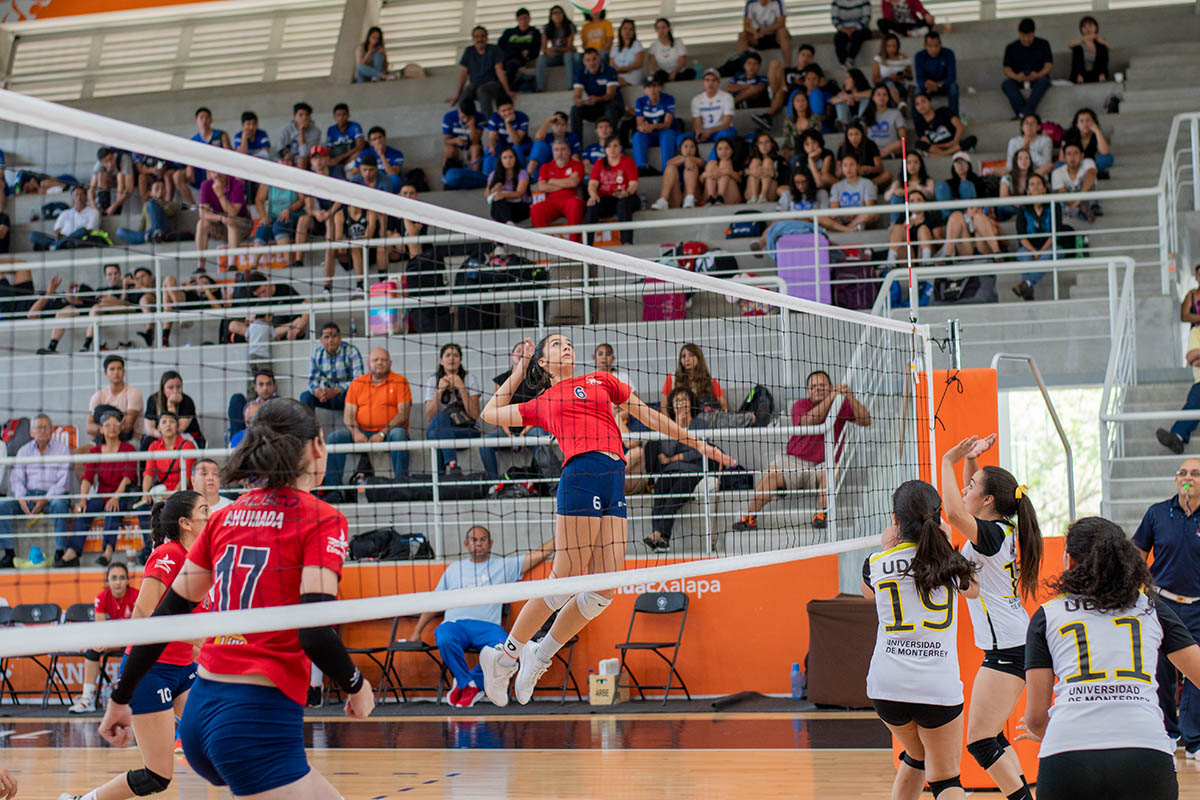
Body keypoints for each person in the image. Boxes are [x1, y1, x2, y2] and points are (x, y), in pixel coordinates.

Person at [96, 399, 373, 798]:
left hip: (201, 713)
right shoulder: (321, 517)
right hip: (253, 716)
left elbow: (163, 619)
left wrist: (121, 695)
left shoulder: (227, 517)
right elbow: (314, 631)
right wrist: (356, 684)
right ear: (316, 447)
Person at [478, 333, 734, 705]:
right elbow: (489, 413)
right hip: (581, 472)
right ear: (544, 364)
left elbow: (650, 417)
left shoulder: (601, 380)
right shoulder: (542, 400)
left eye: (568, 342)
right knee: (566, 577)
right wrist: (519, 369)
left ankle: (540, 653)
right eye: (555, 345)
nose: (565, 346)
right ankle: (505, 658)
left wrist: (698, 443)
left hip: (614, 476)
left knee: (603, 590)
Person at [1019, 516, 1200, 800]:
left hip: (1068, 752)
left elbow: (1035, 717)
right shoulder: (1151, 608)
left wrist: (1056, 730)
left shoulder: (1047, 615)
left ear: (1070, 561)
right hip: (1145, 751)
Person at [60, 491, 210, 800]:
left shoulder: (201, 559)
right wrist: (196, 639)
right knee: (157, 776)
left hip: (184, 668)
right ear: (185, 522)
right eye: (204, 510)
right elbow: (145, 615)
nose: (211, 516)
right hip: (150, 671)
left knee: (222, 740)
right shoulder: (168, 554)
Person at [862, 480, 978, 800]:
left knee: (917, 757)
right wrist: (947, 543)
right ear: (938, 519)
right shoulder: (953, 565)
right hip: (936, 689)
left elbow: (870, 595)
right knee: (945, 779)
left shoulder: (874, 564)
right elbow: (974, 590)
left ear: (896, 521)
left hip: (886, 688)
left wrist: (888, 550)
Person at [940, 434, 1040, 800]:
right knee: (993, 736)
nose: (966, 488)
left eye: (972, 486)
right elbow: (969, 504)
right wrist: (973, 460)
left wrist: (948, 460)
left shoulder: (991, 536)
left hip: (1008, 647)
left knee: (980, 742)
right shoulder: (1001, 529)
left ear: (988, 500)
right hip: (1015, 640)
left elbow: (952, 512)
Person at [409, 526, 555, 707]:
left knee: (509, 650)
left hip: (488, 627)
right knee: (444, 636)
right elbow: (435, 602)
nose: (478, 543)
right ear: (466, 544)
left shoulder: (503, 566)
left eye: (482, 539)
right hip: (455, 625)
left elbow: (536, 556)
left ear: (490, 543)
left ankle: (471, 684)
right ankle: (467, 684)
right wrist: (417, 631)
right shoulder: (454, 569)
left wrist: (561, 540)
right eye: (473, 539)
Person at [733, 370, 870, 531]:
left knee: (831, 470)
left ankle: (821, 514)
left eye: (822, 385)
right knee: (770, 476)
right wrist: (831, 397)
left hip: (822, 463)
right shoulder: (800, 405)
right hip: (793, 461)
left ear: (831, 387)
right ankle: (750, 518)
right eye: (813, 386)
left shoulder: (840, 405)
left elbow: (865, 420)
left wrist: (850, 397)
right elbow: (809, 422)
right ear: (807, 391)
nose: (817, 389)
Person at [1129, 459, 1200, 758]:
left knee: (1196, 671)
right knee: (1161, 669)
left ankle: (1195, 739)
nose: (1187, 478)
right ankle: (1167, 732)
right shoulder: (1157, 513)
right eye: (1182, 473)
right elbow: (1136, 555)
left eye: (1195, 474)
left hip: (1198, 605)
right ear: (1175, 481)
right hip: (1161, 602)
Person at [323, 348, 412, 492]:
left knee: (399, 435)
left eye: (383, 360)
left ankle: (401, 486)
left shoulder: (400, 381)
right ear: (368, 363)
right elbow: (349, 415)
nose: (379, 363)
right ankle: (332, 489)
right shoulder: (357, 383)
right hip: (361, 432)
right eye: (375, 360)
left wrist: (382, 433)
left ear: (390, 363)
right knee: (335, 437)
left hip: (389, 433)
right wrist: (355, 432)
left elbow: (403, 414)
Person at [642, 388, 712, 551]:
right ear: (672, 406)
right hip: (671, 470)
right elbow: (668, 449)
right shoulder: (669, 426)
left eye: (684, 399)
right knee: (659, 492)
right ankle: (661, 537)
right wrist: (679, 427)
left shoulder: (701, 424)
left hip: (692, 470)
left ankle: (659, 534)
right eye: (677, 400)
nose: (681, 404)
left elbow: (698, 451)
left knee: (674, 497)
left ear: (691, 403)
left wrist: (674, 458)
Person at [0, 414, 71, 568]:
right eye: (39, 427)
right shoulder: (23, 451)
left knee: (60, 503)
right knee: (3, 505)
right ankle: (9, 552)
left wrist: (46, 499)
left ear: (52, 430)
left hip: (52, 497)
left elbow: (63, 481)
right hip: (29, 496)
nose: (42, 431)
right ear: (31, 432)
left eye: (46, 427)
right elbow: (16, 479)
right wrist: (21, 498)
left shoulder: (62, 449)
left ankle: (59, 551)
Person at [68, 562, 139, 713]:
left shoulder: (137, 596)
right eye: (114, 578)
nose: (118, 582)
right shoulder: (102, 597)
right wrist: (103, 643)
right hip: (113, 640)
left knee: (137, 650)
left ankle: (135, 698)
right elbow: (100, 629)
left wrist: (109, 644)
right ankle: (88, 699)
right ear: (108, 581)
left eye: (121, 578)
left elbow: (136, 632)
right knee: (92, 650)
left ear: (127, 580)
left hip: (133, 640)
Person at [70, 411, 137, 569]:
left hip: (121, 494)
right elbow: (87, 478)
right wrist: (83, 500)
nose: (112, 428)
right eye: (108, 425)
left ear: (120, 429)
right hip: (102, 493)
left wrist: (115, 497)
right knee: (84, 511)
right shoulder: (95, 451)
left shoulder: (129, 449)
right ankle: (72, 551)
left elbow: (127, 478)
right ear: (101, 429)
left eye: (116, 425)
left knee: (113, 509)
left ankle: (108, 551)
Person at [424, 343, 499, 480]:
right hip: (444, 429)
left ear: (460, 360)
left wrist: (461, 387)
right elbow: (429, 417)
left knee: (434, 434)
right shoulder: (433, 380)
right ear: (441, 360)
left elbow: (475, 415)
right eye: (447, 355)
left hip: (466, 430)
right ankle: (452, 465)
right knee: (438, 422)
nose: (451, 359)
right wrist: (439, 391)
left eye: (455, 355)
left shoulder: (469, 379)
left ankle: (440, 478)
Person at [938, 152, 1003, 260]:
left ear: (969, 164)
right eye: (957, 163)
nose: (960, 165)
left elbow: (985, 204)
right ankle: (947, 255)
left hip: (977, 219)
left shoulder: (979, 182)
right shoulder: (947, 185)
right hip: (960, 222)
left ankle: (997, 253)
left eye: (963, 162)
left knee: (978, 216)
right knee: (956, 215)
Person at [1010, 173, 1062, 301]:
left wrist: (1041, 251)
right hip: (1028, 247)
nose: (1036, 187)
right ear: (1027, 190)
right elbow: (1021, 236)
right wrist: (1034, 251)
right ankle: (1027, 288)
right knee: (1024, 255)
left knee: (1048, 255)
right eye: (1032, 184)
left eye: (1039, 184)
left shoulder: (1054, 205)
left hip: (1051, 246)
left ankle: (1026, 284)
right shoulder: (1023, 209)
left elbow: (1055, 233)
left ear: (1044, 188)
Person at [447, 26, 514, 118]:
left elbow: (499, 71)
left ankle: (488, 123)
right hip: (475, 85)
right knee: (468, 88)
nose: (480, 39)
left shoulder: (494, 49)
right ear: (473, 39)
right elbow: (463, 74)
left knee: (482, 90)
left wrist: (507, 91)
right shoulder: (469, 51)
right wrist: (458, 95)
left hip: (493, 85)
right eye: (477, 37)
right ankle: (462, 119)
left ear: (486, 38)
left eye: (482, 36)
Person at [227, 271, 309, 343]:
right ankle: (266, 337)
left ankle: (265, 337)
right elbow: (242, 319)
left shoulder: (284, 289)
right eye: (258, 295)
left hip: (283, 327)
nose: (262, 296)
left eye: (263, 291)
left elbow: (305, 305)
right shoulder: (251, 296)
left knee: (300, 322)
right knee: (233, 325)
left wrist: (301, 322)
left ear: (268, 283)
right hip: (264, 330)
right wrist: (248, 320)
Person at [585, 137, 640, 244]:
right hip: (607, 198)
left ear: (620, 148)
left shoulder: (628, 162)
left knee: (623, 203)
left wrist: (626, 192)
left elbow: (633, 184)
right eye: (609, 146)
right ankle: (587, 244)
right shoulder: (599, 163)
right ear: (605, 149)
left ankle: (626, 242)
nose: (612, 149)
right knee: (592, 205)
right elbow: (592, 183)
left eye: (615, 146)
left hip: (627, 197)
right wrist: (593, 195)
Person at [301, 322, 364, 414]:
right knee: (305, 396)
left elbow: (359, 381)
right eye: (326, 337)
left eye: (334, 336)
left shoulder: (351, 351)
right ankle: (310, 427)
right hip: (328, 396)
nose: (331, 340)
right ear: (321, 340)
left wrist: (337, 390)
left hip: (347, 395)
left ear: (340, 337)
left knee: (356, 393)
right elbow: (313, 381)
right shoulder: (317, 354)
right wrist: (317, 391)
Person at [530, 138, 585, 240]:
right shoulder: (545, 167)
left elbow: (573, 182)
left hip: (570, 200)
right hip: (552, 202)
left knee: (575, 204)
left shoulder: (577, 164)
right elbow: (542, 187)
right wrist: (566, 182)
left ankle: (575, 246)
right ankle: (545, 245)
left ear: (569, 152)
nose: (560, 153)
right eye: (556, 150)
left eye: (563, 149)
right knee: (535, 209)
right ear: (553, 152)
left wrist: (552, 181)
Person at [194, 172, 250, 272]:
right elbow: (203, 214)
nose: (217, 175)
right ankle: (201, 266)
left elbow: (232, 213)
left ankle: (232, 265)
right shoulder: (206, 185)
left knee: (230, 221)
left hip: (242, 223)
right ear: (209, 173)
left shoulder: (237, 184)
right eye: (213, 171)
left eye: (219, 171)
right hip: (221, 223)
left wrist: (220, 195)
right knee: (201, 224)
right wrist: (220, 218)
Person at [1001, 18, 1053, 119]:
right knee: (1007, 84)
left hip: (1038, 77)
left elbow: (1048, 66)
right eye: (1023, 36)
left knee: (1043, 81)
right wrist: (1016, 76)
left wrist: (1038, 75)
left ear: (1033, 33)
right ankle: (1027, 114)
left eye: (1029, 36)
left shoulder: (1043, 44)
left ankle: (1022, 114)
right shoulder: (1011, 47)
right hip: (1018, 78)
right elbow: (1006, 69)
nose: (1026, 39)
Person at [570, 48, 622, 143]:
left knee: (610, 107)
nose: (591, 63)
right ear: (584, 62)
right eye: (588, 60)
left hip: (614, 106)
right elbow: (577, 95)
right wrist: (579, 101)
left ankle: (612, 143)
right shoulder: (580, 73)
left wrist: (597, 99)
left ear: (599, 59)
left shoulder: (609, 71)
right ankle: (576, 147)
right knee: (575, 109)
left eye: (594, 59)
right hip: (595, 106)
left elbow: (610, 95)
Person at [143, 370, 204, 450]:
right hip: (160, 435)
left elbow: (177, 430)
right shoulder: (153, 400)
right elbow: (149, 429)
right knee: (147, 442)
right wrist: (163, 435)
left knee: (181, 444)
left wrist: (171, 405)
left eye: (178, 387)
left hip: (185, 435)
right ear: (163, 389)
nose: (175, 391)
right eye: (170, 388)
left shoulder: (187, 401)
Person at [89, 354, 143, 443]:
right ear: (105, 373)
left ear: (124, 371)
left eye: (119, 368)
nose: (116, 372)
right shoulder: (98, 396)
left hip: (129, 440)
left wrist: (103, 427)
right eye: (112, 369)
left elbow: (127, 427)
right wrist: (110, 428)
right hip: (102, 441)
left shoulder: (134, 393)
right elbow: (89, 427)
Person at [28, 185, 99, 251]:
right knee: (33, 235)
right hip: (61, 240)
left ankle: (54, 246)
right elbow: (57, 230)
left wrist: (67, 238)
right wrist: (59, 235)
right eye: (76, 195)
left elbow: (89, 231)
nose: (79, 198)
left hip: (79, 241)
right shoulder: (65, 213)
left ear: (86, 197)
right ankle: (57, 245)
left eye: (81, 195)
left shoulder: (93, 212)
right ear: (72, 199)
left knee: (82, 230)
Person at [115, 178, 182, 246]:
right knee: (120, 232)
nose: (160, 190)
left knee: (151, 203)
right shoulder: (146, 205)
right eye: (157, 189)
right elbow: (142, 225)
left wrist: (158, 202)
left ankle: (157, 233)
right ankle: (148, 237)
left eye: (163, 188)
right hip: (149, 232)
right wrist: (139, 234)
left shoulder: (171, 204)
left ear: (165, 191)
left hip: (165, 230)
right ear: (150, 193)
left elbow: (169, 212)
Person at [632, 77, 676, 174]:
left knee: (667, 134)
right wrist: (643, 127)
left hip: (664, 132)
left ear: (659, 87)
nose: (652, 90)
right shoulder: (640, 101)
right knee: (638, 135)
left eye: (654, 86)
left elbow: (667, 124)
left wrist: (652, 126)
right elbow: (639, 124)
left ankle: (667, 169)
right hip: (649, 134)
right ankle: (641, 167)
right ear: (645, 89)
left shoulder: (668, 99)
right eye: (648, 87)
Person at [827, 153, 879, 232]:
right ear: (841, 168)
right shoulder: (836, 186)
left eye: (852, 165)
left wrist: (854, 214)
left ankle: (848, 228)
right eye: (845, 165)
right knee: (824, 217)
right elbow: (834, 209)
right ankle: (846, 228)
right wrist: (846, 214)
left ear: (858, 166)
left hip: (860, 218)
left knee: (872, 213)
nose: (849, 168)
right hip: (841, 219)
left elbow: (869, 207)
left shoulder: (867, 183)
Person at [651, 134, 704, 210]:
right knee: (671, 167)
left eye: (692, 147)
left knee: (691, 166)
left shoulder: (699, 161)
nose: (688, 149)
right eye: (685, 146)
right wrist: (685, 159)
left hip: (695, 197)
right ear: (681, 149)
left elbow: (703, 164)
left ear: (696, 149)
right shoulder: (677, 160)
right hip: (677, 199)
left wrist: (690, 159)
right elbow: (668, 163)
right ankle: (663, 200)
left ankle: (689, 198)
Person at [1052, 140, 1100, 222]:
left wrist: (1077, 201)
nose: (1072, 157)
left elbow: (1091, 175)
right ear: (1064, 157)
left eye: (1075, 153)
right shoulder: (1057, 172)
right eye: (1069, 154)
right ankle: (1083, 212)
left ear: (1082, 155)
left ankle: (1085, 210)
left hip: (1085, 202)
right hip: (1070, 206)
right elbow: (1065, 197)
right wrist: (1076, 204)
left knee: (1087, 180)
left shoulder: (1088, 162)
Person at [483, 96, 532, 176]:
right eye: (503, 111)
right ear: (498, 112)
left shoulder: (523, 117)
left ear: (513, 107)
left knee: (516, 149)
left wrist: (507, 123)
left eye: (510, 109)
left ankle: (520, 176)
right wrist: (492, 147)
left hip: (523, 145)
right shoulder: (494, 117)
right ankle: (487, 177)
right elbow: (492, 137)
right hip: (503, 146)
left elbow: (516, 141)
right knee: (489, 151)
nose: (507, 113)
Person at [914, 31, 958, 117]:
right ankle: (920, 122)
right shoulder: (919, 56)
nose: (933, 49)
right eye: (930, 46)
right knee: (917, 91)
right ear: (925, 46)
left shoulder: (948, 53)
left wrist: (938, 84)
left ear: (940, 44)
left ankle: (954, 118)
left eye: (936, 46)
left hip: (943, 86)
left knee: (953, 88)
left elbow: (952, 77)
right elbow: (919, 79)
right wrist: (927, 84)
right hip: (927, 88)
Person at [441, 99, 486, 182]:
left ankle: (475, 177)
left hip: (471, 148)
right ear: (458, 109)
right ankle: (445, 176)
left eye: (468, 117)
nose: (465, 120)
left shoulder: (480, 117)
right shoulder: (449, 117)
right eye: (463, 116)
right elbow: (446, 140)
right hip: (456, 148)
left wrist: (472, 126)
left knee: (475, 148)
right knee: (448, 149)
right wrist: (456, 140)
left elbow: (475, 141)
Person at [229, 368, 277, 447]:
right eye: (261, 384)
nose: (265, 388)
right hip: (247, 435)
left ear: (274, 386)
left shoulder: (281, 404)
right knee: (237, 398)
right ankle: (234, 444)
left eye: (268, 384)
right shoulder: (250, 406)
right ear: (255, 387)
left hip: (270, 438)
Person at [912, 92, 969, 156]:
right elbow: (928, 144)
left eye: (923, 101)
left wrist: (955, 142)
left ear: (930, 102)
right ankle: (948, 153)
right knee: (918, 144)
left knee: (971, 139)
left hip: (953, 143)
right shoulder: (919, 125)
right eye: (917, 104)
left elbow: (960, 127)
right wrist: (946, 145)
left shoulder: (944, 111)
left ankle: (940, 154)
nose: (921, 106)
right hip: (938, 148)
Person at [738, 0, 791, 68]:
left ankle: (788, 67)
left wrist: (766, 30)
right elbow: (746, 25)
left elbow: (781, 23)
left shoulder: (778, 2)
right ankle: (743, 68)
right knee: (743, 35)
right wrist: (755, 32)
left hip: (774, 36)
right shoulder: (750, 3)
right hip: (758, 36)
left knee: (783, 31)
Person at [535, 5, 576, 93]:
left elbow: (569, 48)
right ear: (551, 16)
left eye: (559, 13)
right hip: (555, 56)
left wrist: (556, 49)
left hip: (566, 55)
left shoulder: (569, 26)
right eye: (554, 13)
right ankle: (539, 87)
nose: (557, 15)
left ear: (563, 14)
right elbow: (543, 48)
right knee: (541, 58)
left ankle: (571, 86)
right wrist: (548, 50)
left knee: (568, 55)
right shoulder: (547, 28)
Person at [486, 147, 531, 224]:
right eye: (505, 158)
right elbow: (487, 194)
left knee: (499, 200)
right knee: (497, 202)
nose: (508, 160)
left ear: (515, 159)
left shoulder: (522, 173)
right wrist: (495, 190)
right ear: (501, 160)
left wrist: (503, 194)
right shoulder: (493, 174)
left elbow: (519, 193)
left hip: (520, 207)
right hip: (501, 205)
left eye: (511, 157)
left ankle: (507, 223)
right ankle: (508, 222)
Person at [691, 69, 737, 144]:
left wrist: (709, 131)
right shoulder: (696, 99)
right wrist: (699, 133)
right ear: (704, 82)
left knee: (724, 136)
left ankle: (713, 154)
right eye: (707, 80)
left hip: (722, 130)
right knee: (683, 137)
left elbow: (726, 124)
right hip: (705, 131)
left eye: (713, 80)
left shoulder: (727, 97)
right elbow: (697, 124)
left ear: (718, 82)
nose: (710, 83)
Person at [499, 8, 542, 88]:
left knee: (512, 65)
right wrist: (520, 49)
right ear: (517, 20)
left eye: (525, 18)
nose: (523, 21)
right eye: (521, 19)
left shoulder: (534, 32)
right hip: (506, 58)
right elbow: (500, 47)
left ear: (529, 19)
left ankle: (505, 90)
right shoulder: (509, 32)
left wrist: (515, 49)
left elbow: (535, 50)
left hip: (520, 60)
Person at [862, 83, 906, 159]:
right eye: (878, 94)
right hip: (871, 149)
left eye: (885, 94)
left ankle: (878, 156)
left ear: (888, 97)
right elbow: (862, 135)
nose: (882, 97)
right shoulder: (867, 114)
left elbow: (903, 138)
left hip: (889, 149)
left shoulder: (896, 113)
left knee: (900, 143)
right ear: (873, 97)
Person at [1064, 108, 1113, 176]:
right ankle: (1089, 175)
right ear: (1077, 124)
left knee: (1108, 158)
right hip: (1074, 165)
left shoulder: (1096, 134)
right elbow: (1062, 158)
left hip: (1091, 165)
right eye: (1082, 121)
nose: (1085, 124)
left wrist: (1097, 131)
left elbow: (1105, 152)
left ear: (1093, 122)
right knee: (1059, 165)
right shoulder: (1069, 135)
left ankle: (1089, 174)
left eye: (1088, 120)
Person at [646, 17, 693, 84]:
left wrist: (674, 72)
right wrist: (652, 75)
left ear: (669, 28)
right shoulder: (654, 45)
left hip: (678, 72)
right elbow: (651, 64)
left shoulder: (678, 42)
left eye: (663, 27)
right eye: (658, 28)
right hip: (664, 74)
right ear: (656, 30)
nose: (661, 30)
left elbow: (682, 61)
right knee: (658, 75)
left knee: (690, 72)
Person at [89, 146, 134, 216]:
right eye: (106, 162)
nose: (110, 164)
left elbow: (130, 189)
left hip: (124, 181)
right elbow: (91, 189)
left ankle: (116, 210)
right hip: (111, 181)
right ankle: (104, 209)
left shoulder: (124, 159)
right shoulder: (98, 166)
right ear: (101, 162)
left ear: (113, 155)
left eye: (111, 159)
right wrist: (93, 203)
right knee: (101, 175)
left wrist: (115, 205)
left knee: (120, 176)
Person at [325, 103, 366, 179]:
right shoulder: (331, 129)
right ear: (334, 117)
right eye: (338, 115)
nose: (341, 117)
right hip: (337, 157)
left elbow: (360, 146)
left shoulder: (355, 126)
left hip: (351, 156)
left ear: (348, 116)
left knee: (359, 153)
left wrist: (342, 158)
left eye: (344, 115)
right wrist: (329, 159)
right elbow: (328, 149)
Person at [872, 33, 912, 108]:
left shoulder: (903, 57)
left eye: (894, 46)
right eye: (889, 46)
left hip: (899, 84)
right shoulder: (879, 58)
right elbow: (875, 79)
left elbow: (911, 76)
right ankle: (899, 102)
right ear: (884, 46)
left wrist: (903, 75)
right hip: (884, 86)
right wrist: (889, 77)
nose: (892, 49)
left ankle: (900, 104)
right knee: (888, 81)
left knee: (897, 87)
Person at [700, 137, 743, 206]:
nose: (723, 152)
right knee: (711, 164)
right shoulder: (712, 164)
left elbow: (740, 179)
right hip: (709, 198)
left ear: (732, 150)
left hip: (730, 196)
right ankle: (711, 197)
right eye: (720, 149)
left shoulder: (736, 164)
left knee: (725, 162)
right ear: (716, 151)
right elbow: (700, 182)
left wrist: (727, 171)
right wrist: (707, 174)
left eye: (726, 148)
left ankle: (720, 197)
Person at [277, 102, 321, 169]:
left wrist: (301, 132)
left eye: (307, 115)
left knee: (301, 160)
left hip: (307, 160)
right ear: (294, 117)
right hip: (290, 157)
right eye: (301, 115)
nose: (304, 118)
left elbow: (304, 153)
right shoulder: (286, 130)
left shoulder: (316, 131)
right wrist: (286, 155)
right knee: (282, 161)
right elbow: (279, 148)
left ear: (310, 117)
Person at [745, 131, 785, 204]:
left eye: (767, 142)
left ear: (772, 144)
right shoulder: (751, 158)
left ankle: (762, 196)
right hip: (750, 193)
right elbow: (742, 174)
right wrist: (753, 172)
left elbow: (784, 178)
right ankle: (754, 196)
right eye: (761, 143)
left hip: (770, 192)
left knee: (767, 161)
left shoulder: (779, 159)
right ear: (757, 145)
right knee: (755, 161)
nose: (764, 146)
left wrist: (773, 173)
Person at [1069, 15, 1109, 84]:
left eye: (1090, 25)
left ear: (1095, 27)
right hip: (1081, 75)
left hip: (1097, 74)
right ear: (1081, 29)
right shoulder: (1079, 44)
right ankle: (1078, 76)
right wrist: (1085, 39)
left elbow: (1108, 47)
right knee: (1077, 48)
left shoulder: (1100, 44)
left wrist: (1098, 39)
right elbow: (1070, 45)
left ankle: (1102, 75)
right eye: (1084, 26)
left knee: (1103, 48)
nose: (1087, 29)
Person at [831, 0, 871, 68]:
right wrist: (845, 30)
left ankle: (850, 58)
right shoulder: (836, 2)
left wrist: (855, 28)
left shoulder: (864, 1)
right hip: (844, 29)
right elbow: (834, 19)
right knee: (838, 38)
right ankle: (843, 62)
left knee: (857, 36)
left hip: (860, 29)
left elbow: (866, 17)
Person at [611, 19, 645, 88]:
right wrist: (619, 70)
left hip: (633, 74)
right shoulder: (615, 48)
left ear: (633, 32)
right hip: (618, 74)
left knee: (615, 80)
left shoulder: (637, 45)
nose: (627, 31)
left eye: (630, 29)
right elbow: (611, 65)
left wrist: (622, 69)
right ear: (620, 31)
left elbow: (639, 64)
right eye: (625, 28)